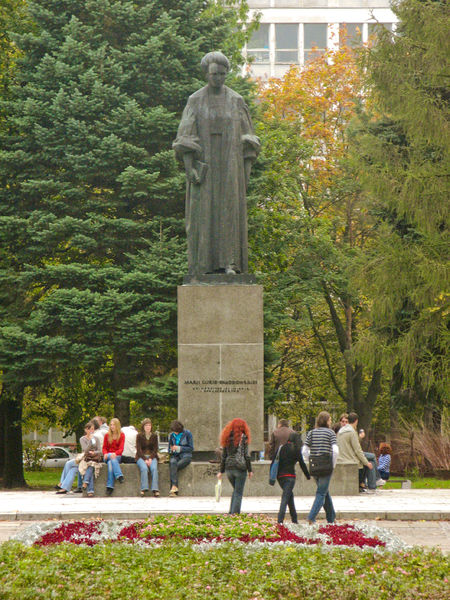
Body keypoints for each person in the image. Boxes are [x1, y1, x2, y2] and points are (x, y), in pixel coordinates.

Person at [173, 51, 260, 277]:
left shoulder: (236, 100)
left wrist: (245, 173)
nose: (218, 78)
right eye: (214, 74)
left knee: (229, 212)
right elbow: (185, 136)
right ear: (206, 74)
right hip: (206, 166)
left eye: (222, 74)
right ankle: (202, 266)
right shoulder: (195, 100)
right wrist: (190, 166)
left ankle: (230, 263)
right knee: (204, 213)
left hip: (231, 165)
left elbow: (249, 139)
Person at [302, 411, 339, 525]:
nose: (331, 422)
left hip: (315, 466)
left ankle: (331, 517)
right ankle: (311, 517)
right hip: (326, 465)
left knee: (324, 491)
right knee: (321, 493)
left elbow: (304, 451)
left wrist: (311, 458)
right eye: (330, 420)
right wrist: (333, 464)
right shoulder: (330, 433)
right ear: (327, 421)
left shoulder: (311, 433)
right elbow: (335, 450)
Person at [272, 431, 310, 524]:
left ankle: (294, 519)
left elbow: (274, 460)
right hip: (290, 476)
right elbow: (302, 463)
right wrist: (307, 475)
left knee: (289, 497)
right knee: (285, 497)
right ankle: (280, 521)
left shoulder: (281, 448)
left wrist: (272, 477)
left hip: (280, 477)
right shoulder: (296, 450)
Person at [217, 418, 253, 514]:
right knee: (238, 493)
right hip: (240, 468)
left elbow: (223, 456)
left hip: (229, 468)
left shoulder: (227, 437)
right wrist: (250, 470)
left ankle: (231, 513)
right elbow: (246, 455)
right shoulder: (244, 438)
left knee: (236, 491)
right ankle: (235, 515)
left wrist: (221, 471)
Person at [337, 412, 376, 493]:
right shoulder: (351, 432)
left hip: (341, 458)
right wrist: (366, 463)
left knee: (370, 460)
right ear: (356, 421)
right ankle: (372, 485)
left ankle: (370, 484)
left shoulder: (341, 431)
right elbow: (357, 450)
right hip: (350, 459)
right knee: (370, 460)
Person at [56, 421, 95, 494]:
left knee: (70, 466)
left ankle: (62, 485)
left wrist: (92, 440)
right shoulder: (82, 439)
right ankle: (64, 486)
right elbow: (86, 449)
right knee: (71, 467)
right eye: (90, 429)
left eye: (93, 429)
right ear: (86, 430)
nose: (92, 431)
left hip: (90, 460)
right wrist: (90, 441)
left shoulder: (94, 439)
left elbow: (95, 448)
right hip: (83, 459)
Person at [168, 420, 193, 496]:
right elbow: (169, 447)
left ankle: (174, 487)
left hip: (185, 455)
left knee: (174, 467)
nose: (174, 433)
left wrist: (179, 448)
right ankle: (174, 487)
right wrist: (171, 449)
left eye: (176, 431)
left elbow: (191, 448)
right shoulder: (171, 435)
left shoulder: (187, 434)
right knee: (172, 462)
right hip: (175, 455)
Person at [135, 418, 159, 497]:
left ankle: (155, 489)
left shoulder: (154, 436)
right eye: (146, 425)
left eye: (149, 425)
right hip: (141, 456)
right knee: (144, 468)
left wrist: (151, 458)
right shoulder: (139, 436)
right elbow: (138, 450)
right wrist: (145, 459)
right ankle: (143, 489)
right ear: (143, 427)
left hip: (152, 456)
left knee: (154, 468)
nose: (148, 427)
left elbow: (155, 449)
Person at [102, 418, 125, 496]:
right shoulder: (107, 435)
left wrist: (115, 454)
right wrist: (105, 453)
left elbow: (121, 449)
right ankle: (119, 475)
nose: (112, 426)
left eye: (114, 425)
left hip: (117, 456)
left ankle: (110, 487)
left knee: (111, 464)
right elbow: (104, 447)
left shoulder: (122, 435)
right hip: (107, 456)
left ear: (117, 425)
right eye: (111, 425)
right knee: (110, 457)